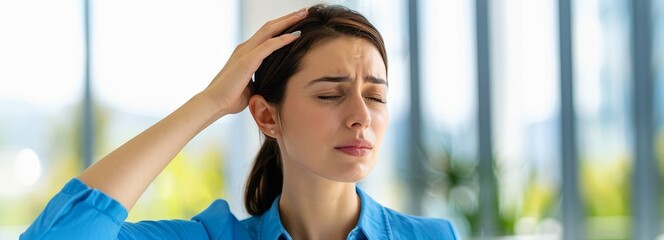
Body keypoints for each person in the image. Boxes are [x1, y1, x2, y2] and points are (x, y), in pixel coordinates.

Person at [21, 4, 460, 240]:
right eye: (330, 94)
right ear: (267, 116)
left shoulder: (433, 237)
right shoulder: (215, 238)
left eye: (376, 96)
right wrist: (210, 102)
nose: (362, 117)